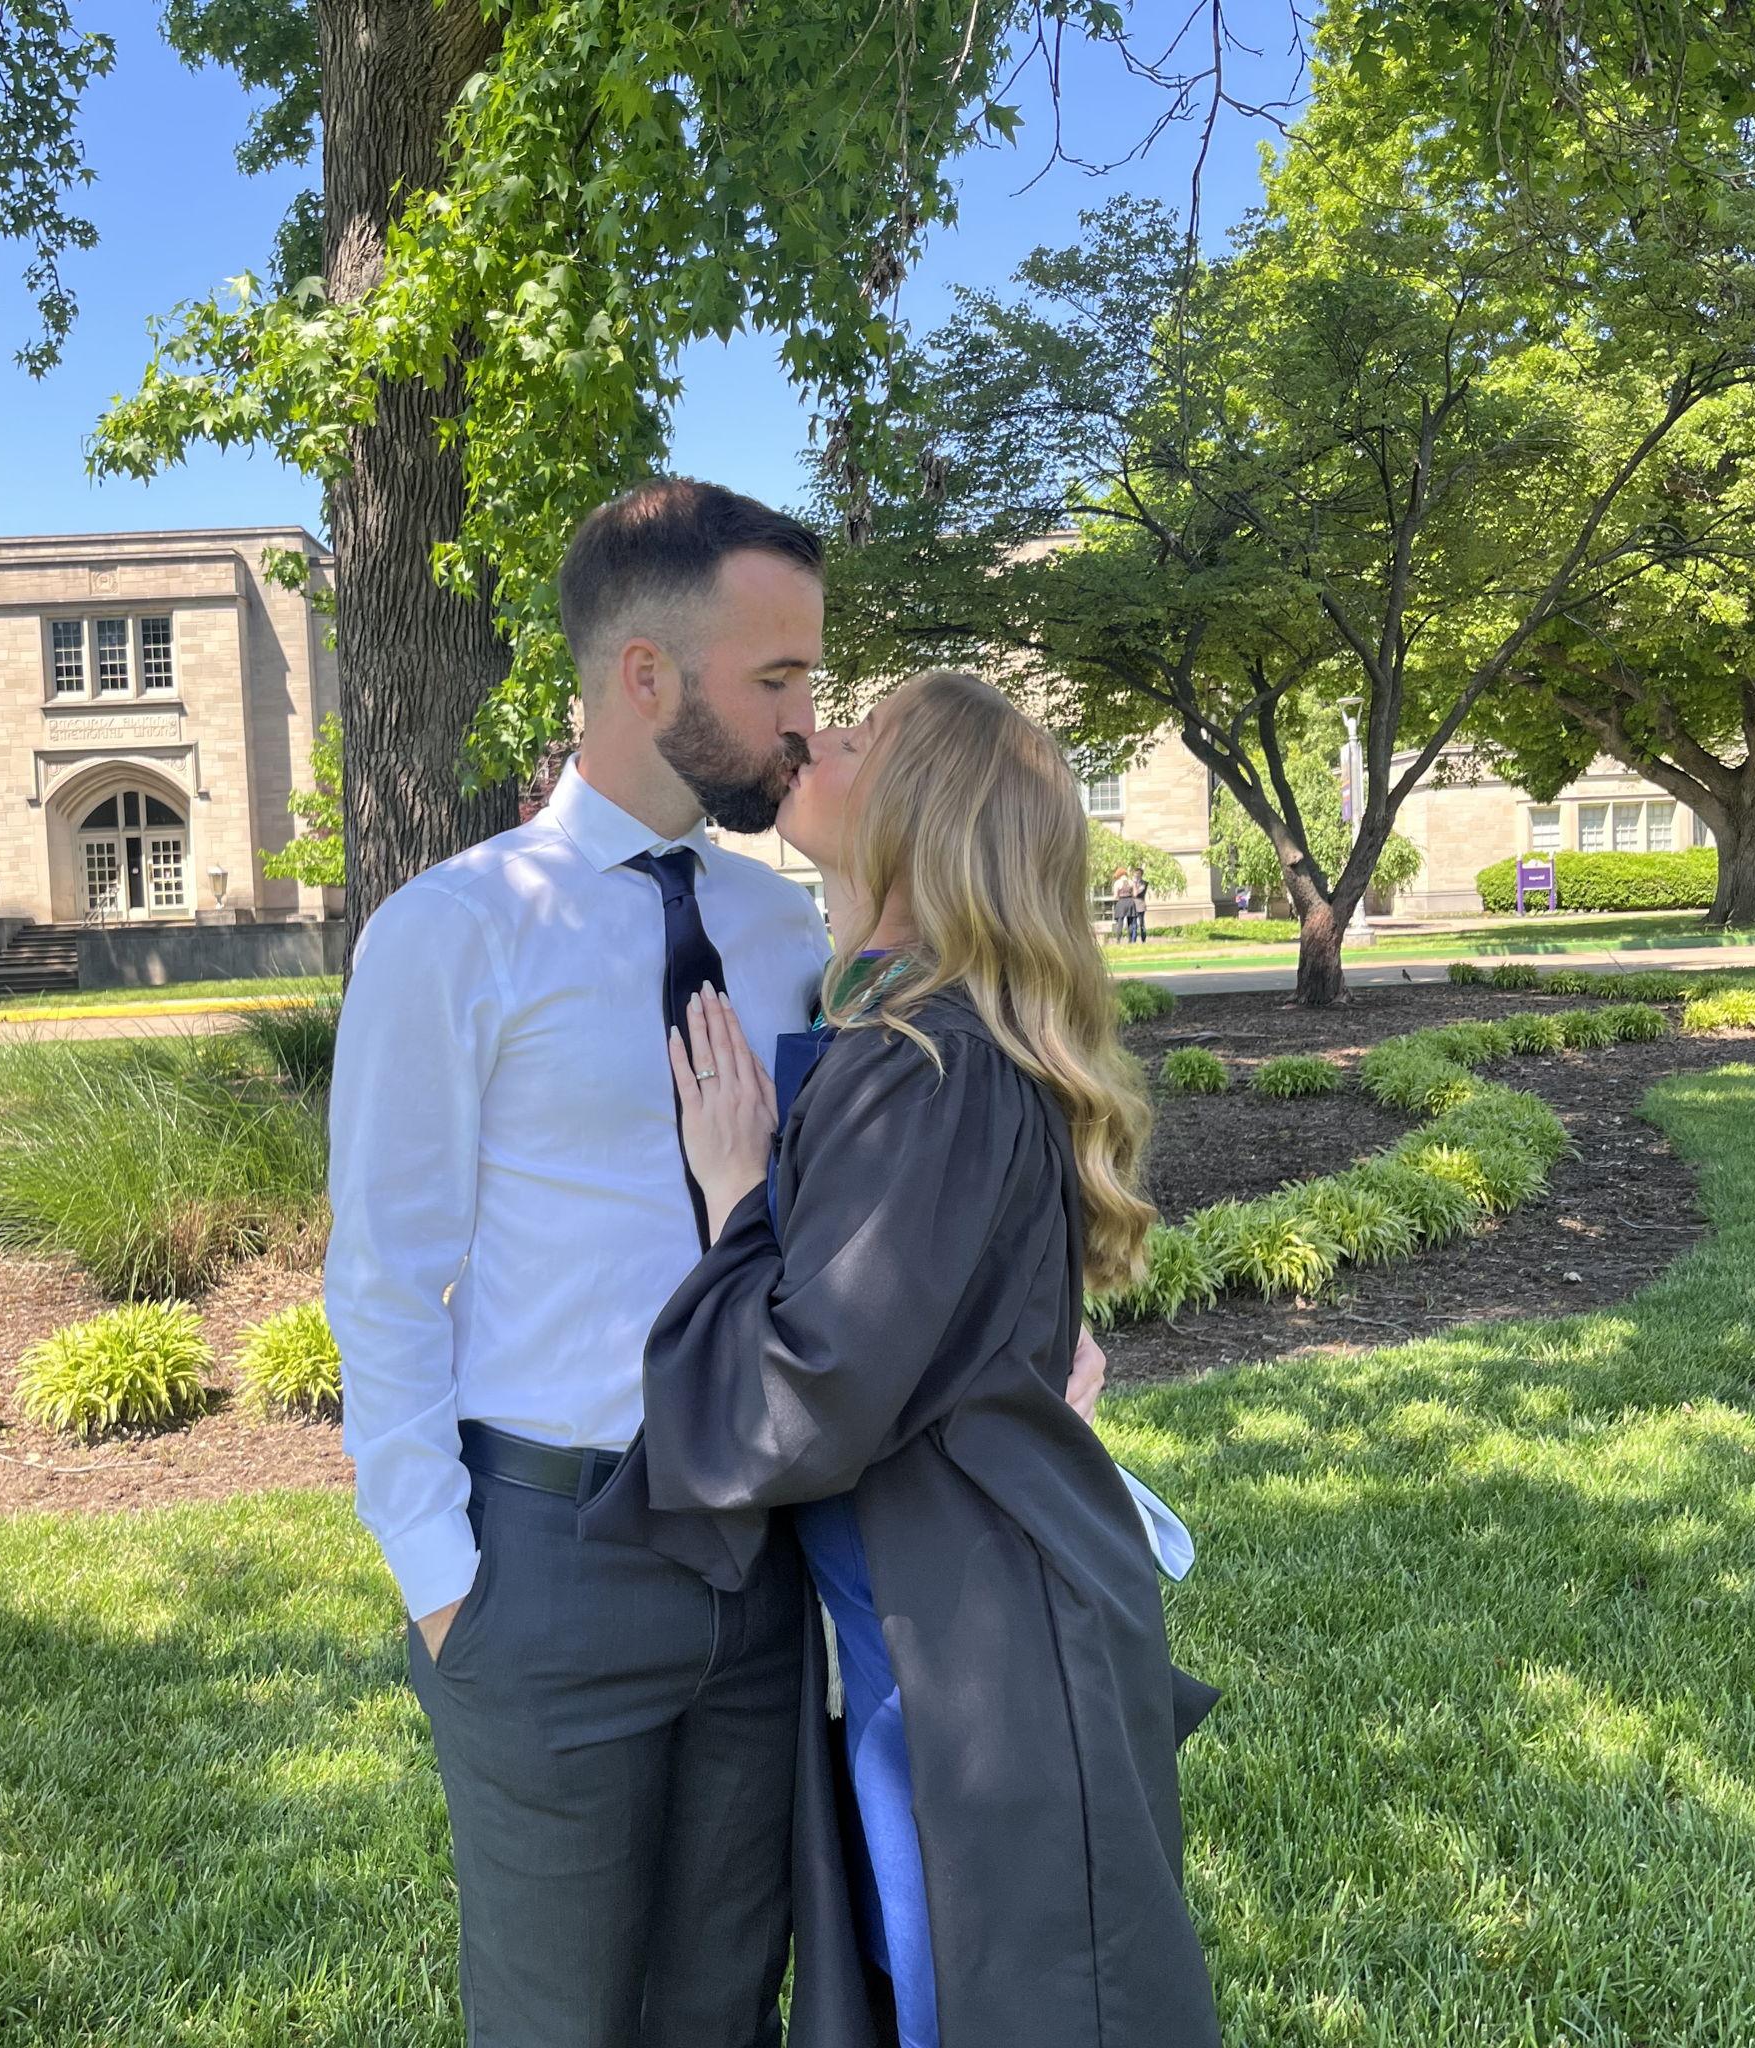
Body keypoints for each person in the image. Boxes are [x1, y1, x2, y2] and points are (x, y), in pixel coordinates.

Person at [323, 482, 1108, 2047]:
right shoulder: (454, 930)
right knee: (558, 2022)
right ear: (647, 676)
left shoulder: (790, 930)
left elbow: (879, 1212)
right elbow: (386, 1272)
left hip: (759, 1568)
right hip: (548, 1558)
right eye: (778, 680)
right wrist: (441, 1581)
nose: (807, 722)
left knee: (726, 2009)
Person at [614, 670, 1222, 2048]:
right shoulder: (918, 1034)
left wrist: (736, 1194)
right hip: (941, 1620)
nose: (813, 734)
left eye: (860, 733)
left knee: (998, 2004)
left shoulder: (925, 1061)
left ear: (923, 810)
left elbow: (806, 1393)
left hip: (976, 1659)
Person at [1110, 864, 1134, 939]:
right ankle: (1130, 940)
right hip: (1130, 901)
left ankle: (1118, 940)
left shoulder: (1117, 883)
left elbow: (1115, 896)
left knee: (1120, 922)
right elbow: (1134, 893)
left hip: (1121, 902)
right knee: (1130, 922)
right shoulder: (1131, 882)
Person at [1130, 861, 1151, 941]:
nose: (1136, 875)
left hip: (1140, 904)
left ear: (1141, 874)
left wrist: (1135, 884)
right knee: (1134, 923)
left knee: (1141, 923)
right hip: (1133, 904)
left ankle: (1143, 939)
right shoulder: (1131, 882)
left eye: (1138, 874)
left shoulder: (1143, 883)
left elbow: (1135, 894)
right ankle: (1133, 939)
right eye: (1135, 874)